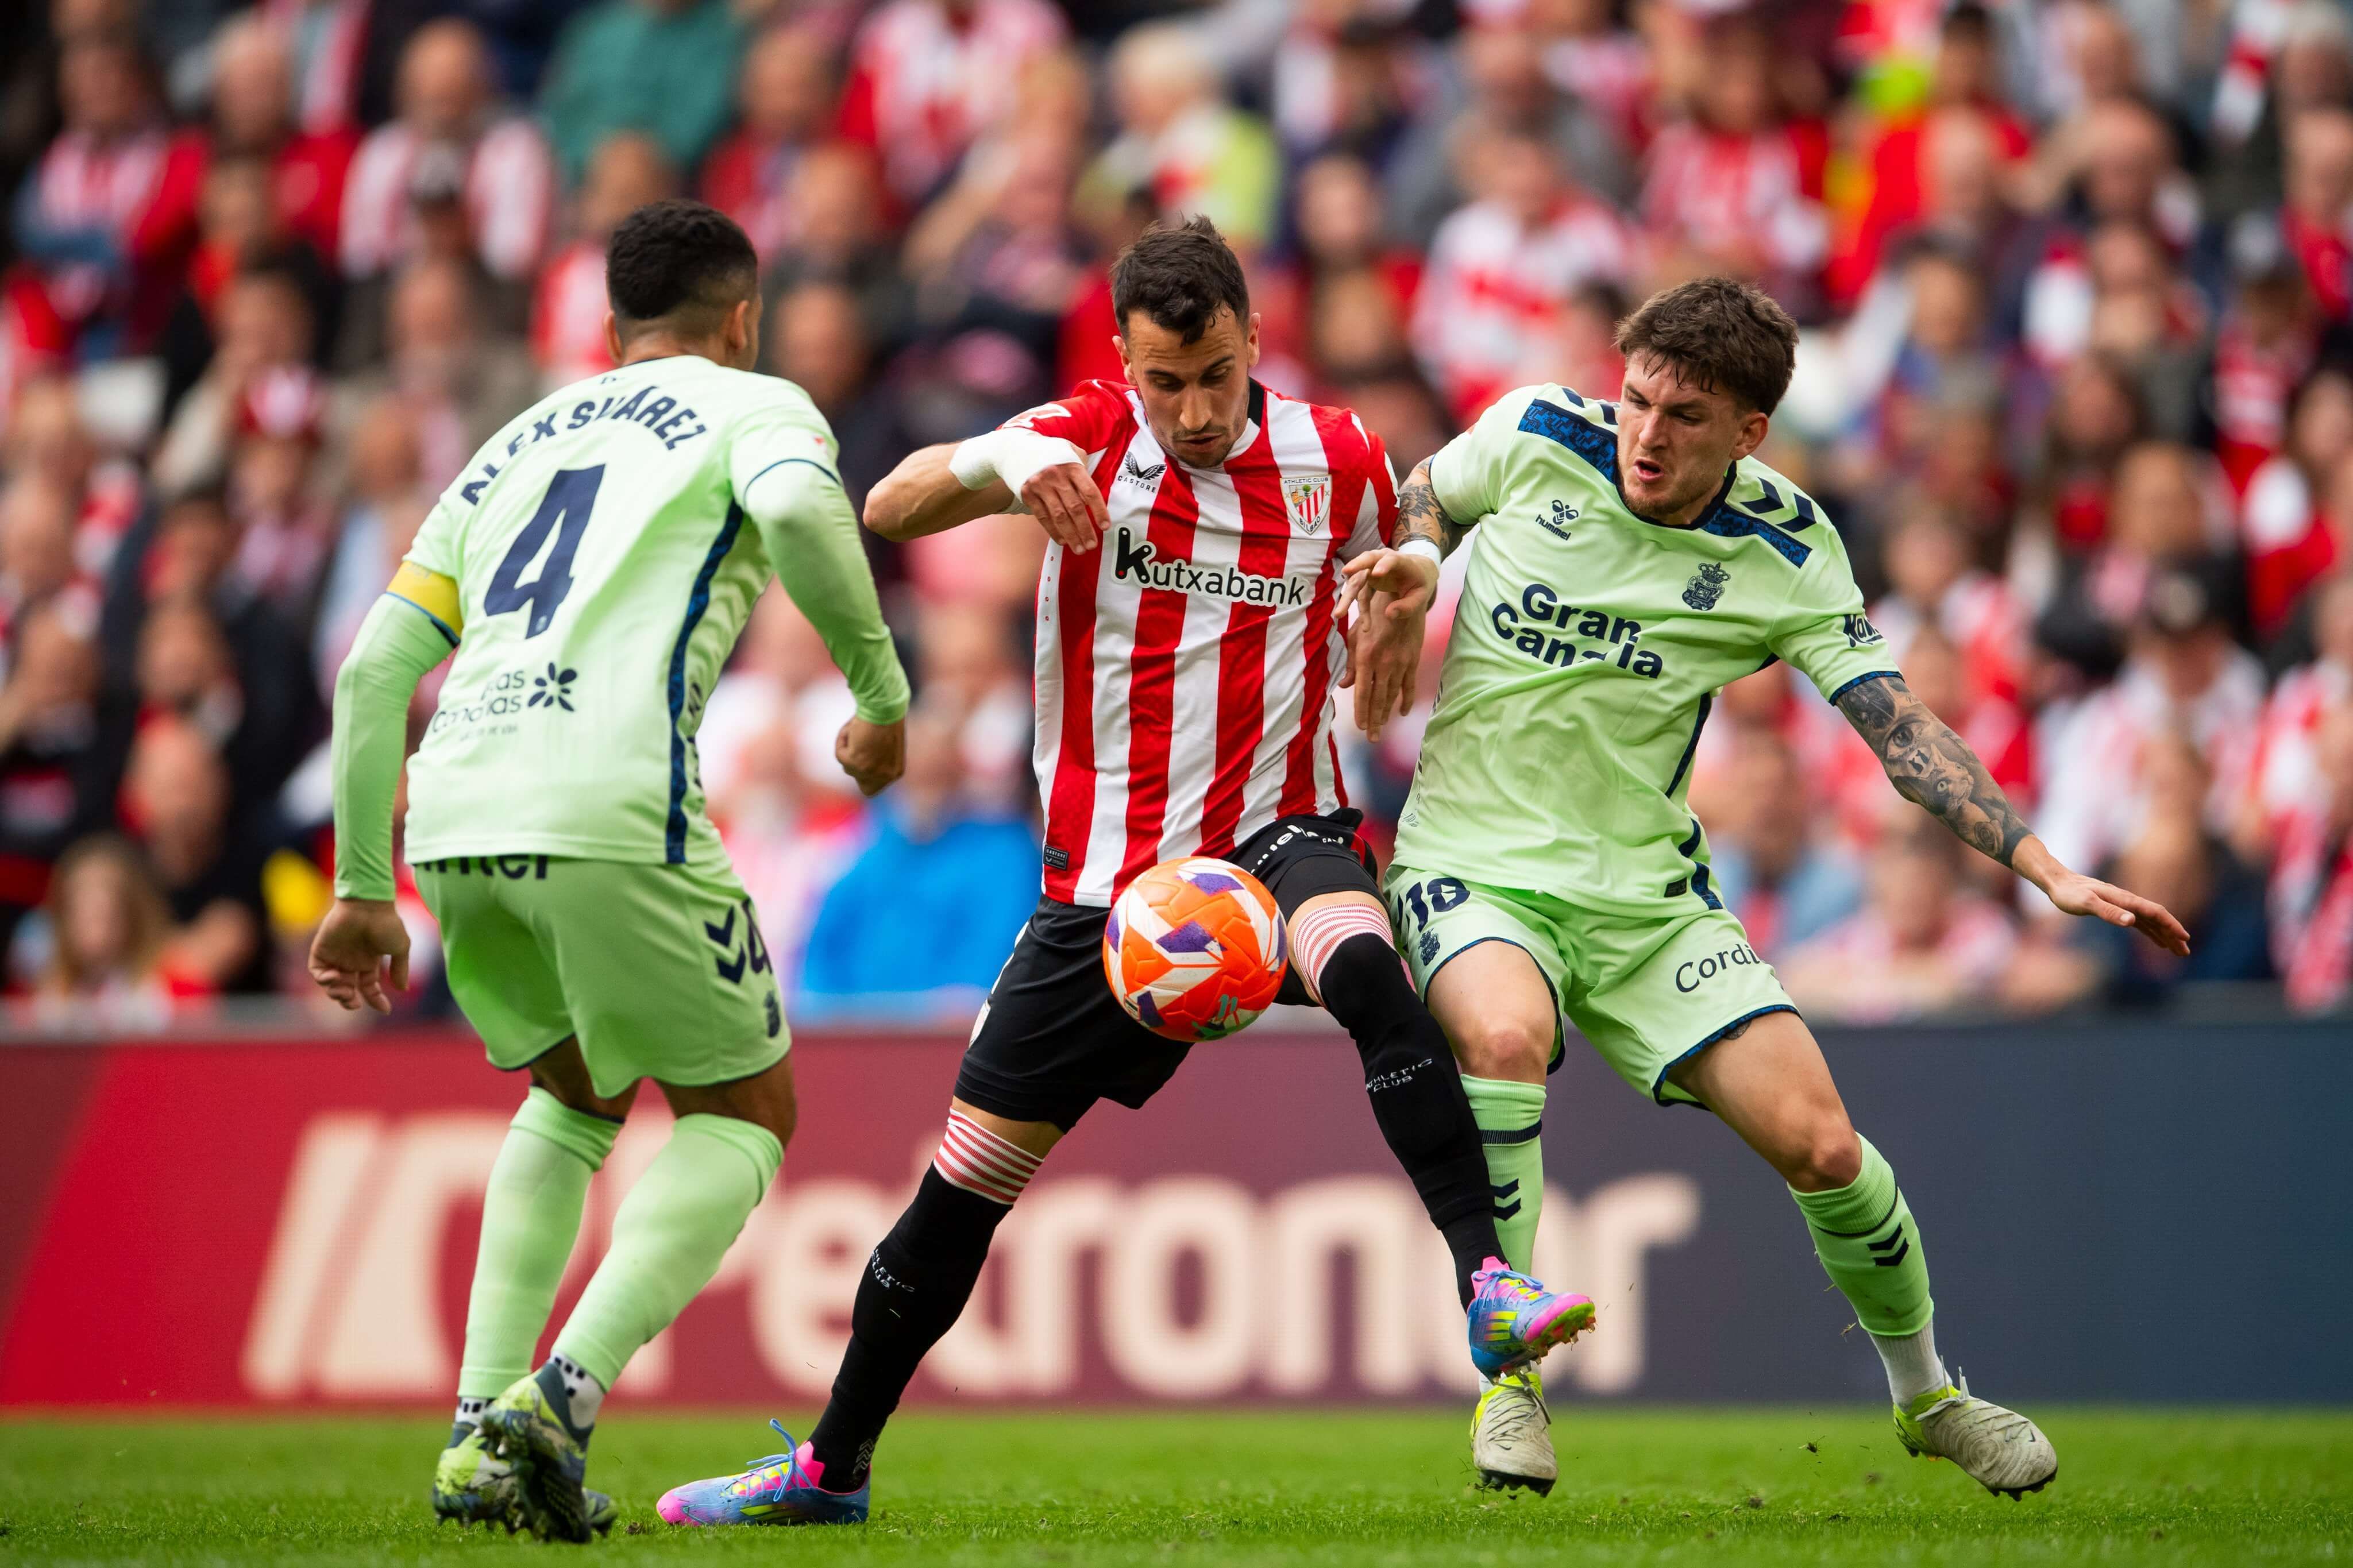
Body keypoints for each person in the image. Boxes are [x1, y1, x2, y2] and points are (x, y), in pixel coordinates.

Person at [653, 216, 1595, 1529]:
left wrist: (1392, 608)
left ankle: (1487, 1289)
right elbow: (889, 504)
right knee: (962, 1188)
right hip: (1105, 894)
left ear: (1253, 340)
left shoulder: (1336, 457)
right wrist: (1009, 461)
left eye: (1215, 375)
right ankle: (832, 1468)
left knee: (1363, 964)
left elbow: (1400, 562)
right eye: (1165, 382)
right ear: (1122, 360)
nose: (1194, 411)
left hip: (1276, 832)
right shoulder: (1083, 436)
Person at [1340, 277, 2192, 1499]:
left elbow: (1896, 728)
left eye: (1683, 417)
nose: (1644, 434)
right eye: (1636, 399)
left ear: (1748, 432)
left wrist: (2042, 866)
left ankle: (1928, 1398)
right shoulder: (1536, 433)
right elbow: (1429, 486)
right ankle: (1509, 1383)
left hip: (1647, 900)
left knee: (1825, 1146)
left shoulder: (1786, 549)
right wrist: (1421, 559)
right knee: (1505, 1035)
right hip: (1470, 864)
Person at [304, 199, 912, 1541]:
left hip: (455, 810)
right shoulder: (756, 406)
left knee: (573, 1095)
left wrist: (360, 886)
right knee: (745, 1112)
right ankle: (556, 1401)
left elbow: (373, 670)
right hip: (609, 794)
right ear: (741, 318)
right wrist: (878, 690)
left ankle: (474, 1431)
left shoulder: (511, 445)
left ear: (609, 324)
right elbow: (797, 507)